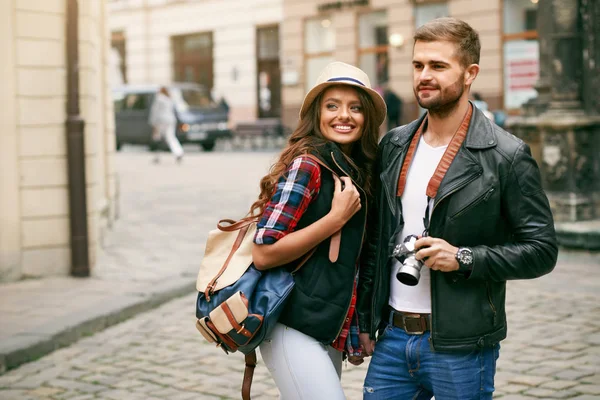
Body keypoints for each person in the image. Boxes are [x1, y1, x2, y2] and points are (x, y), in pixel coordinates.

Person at [357, 17, 558, 400]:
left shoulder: (507, 155)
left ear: (470, 73)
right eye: (418, 66)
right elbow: (377, 241)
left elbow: (542, 251)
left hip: (462, 346)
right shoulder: (394, 144)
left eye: (438, 66)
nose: (424, 76)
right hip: (393, 337)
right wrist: (367, 319)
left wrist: (464, 258)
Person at [249, 61, 386, 399]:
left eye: (355, 107)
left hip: (325, 326)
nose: (344, 115)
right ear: (317, 114)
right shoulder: (308, 164)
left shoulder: (357, 171)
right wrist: (333, 220)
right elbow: (264, 252)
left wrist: (357, 328)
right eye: (332, 106)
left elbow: (351, 268)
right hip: (291, 324)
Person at [148, 86, 184, 163]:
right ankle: (178, 152)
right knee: (171, 137)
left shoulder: (159, 98)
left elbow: (155, 111)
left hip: (161, 121)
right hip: (171, 120)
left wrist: (153, 123)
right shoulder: (169, 99)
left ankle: (157, 156)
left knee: (158, 138)